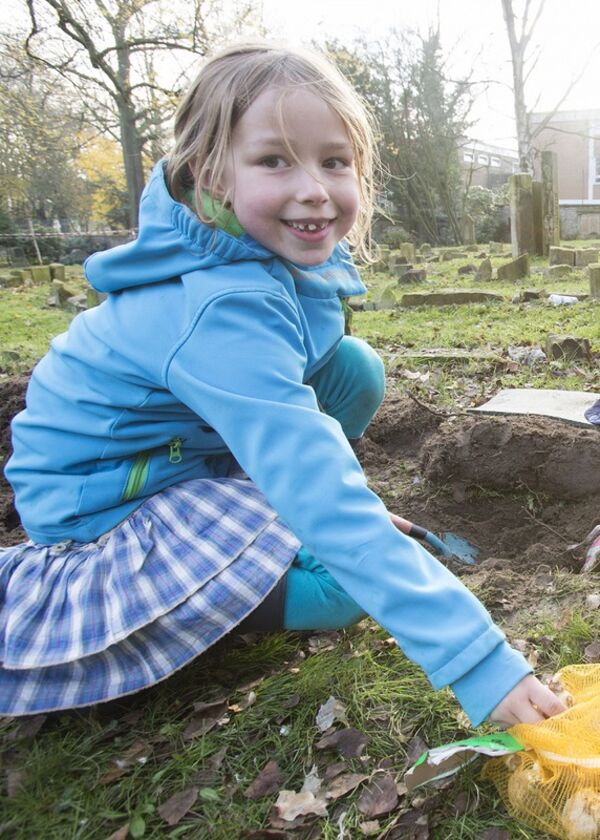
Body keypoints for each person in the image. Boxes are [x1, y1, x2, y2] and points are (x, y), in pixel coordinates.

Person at [0, 42, 564, 726]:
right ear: (212, 174)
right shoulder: (216, 310)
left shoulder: (269, 254)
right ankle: (202, 598)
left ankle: (261, 528)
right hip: (109, 501)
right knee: (338, 590)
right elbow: (315, 481)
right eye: (274, 160)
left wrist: (306, 505)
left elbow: (308, 424)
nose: (314, 189)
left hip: (190, 451)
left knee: (352, 370)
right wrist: (480, 664)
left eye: (334, 161)